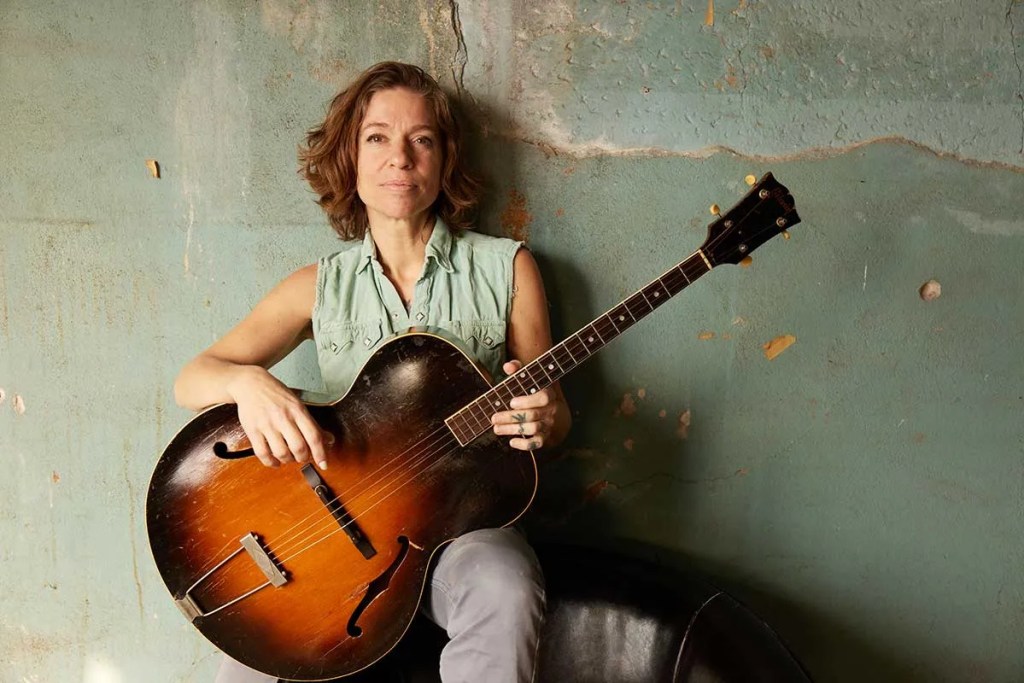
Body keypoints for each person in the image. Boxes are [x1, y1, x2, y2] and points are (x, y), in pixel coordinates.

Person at [173, 61, 571, 683]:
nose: (400, 159)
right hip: (339, 527)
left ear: (444, 160)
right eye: (377, 138)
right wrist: (249, 383)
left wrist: (547, 417)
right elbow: (193, 378)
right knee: (249, 654)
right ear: (351, 161)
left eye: (422, 140)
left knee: (507, 587)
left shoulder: (510, 269)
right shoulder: (317, 286)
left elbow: (552, 407)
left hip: (459, 527)